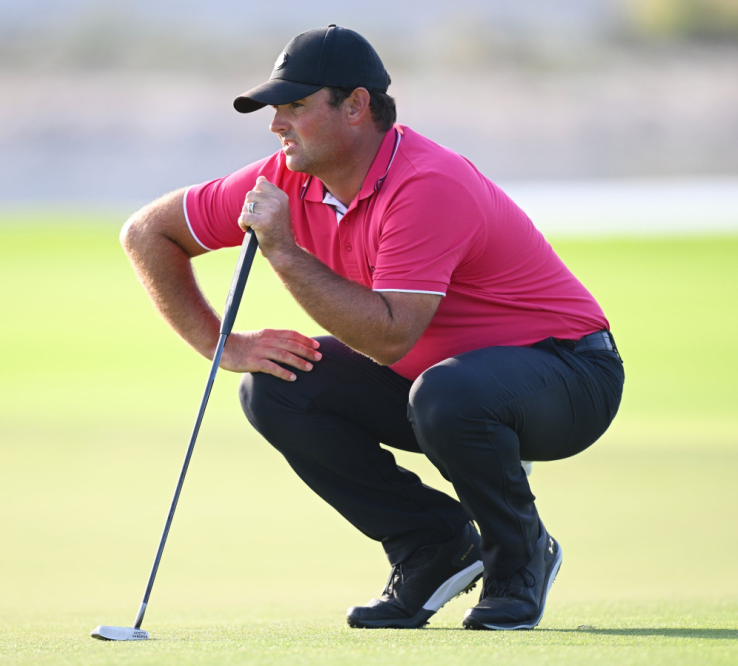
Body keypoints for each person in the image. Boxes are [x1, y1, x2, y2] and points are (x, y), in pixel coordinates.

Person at [119, 25, 624, 631]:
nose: (277, 124)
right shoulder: (284, 176)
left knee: (447, 393)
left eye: (296, 107)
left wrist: (282, 251)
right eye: (276, 109)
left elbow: (389, 336)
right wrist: (221, 346)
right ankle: (434, 543)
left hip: (569, 375)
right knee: (277, 385)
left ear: (356, 106)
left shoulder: (426, 182)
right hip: (436, 385)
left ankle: (519, 558)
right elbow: (147, 233)